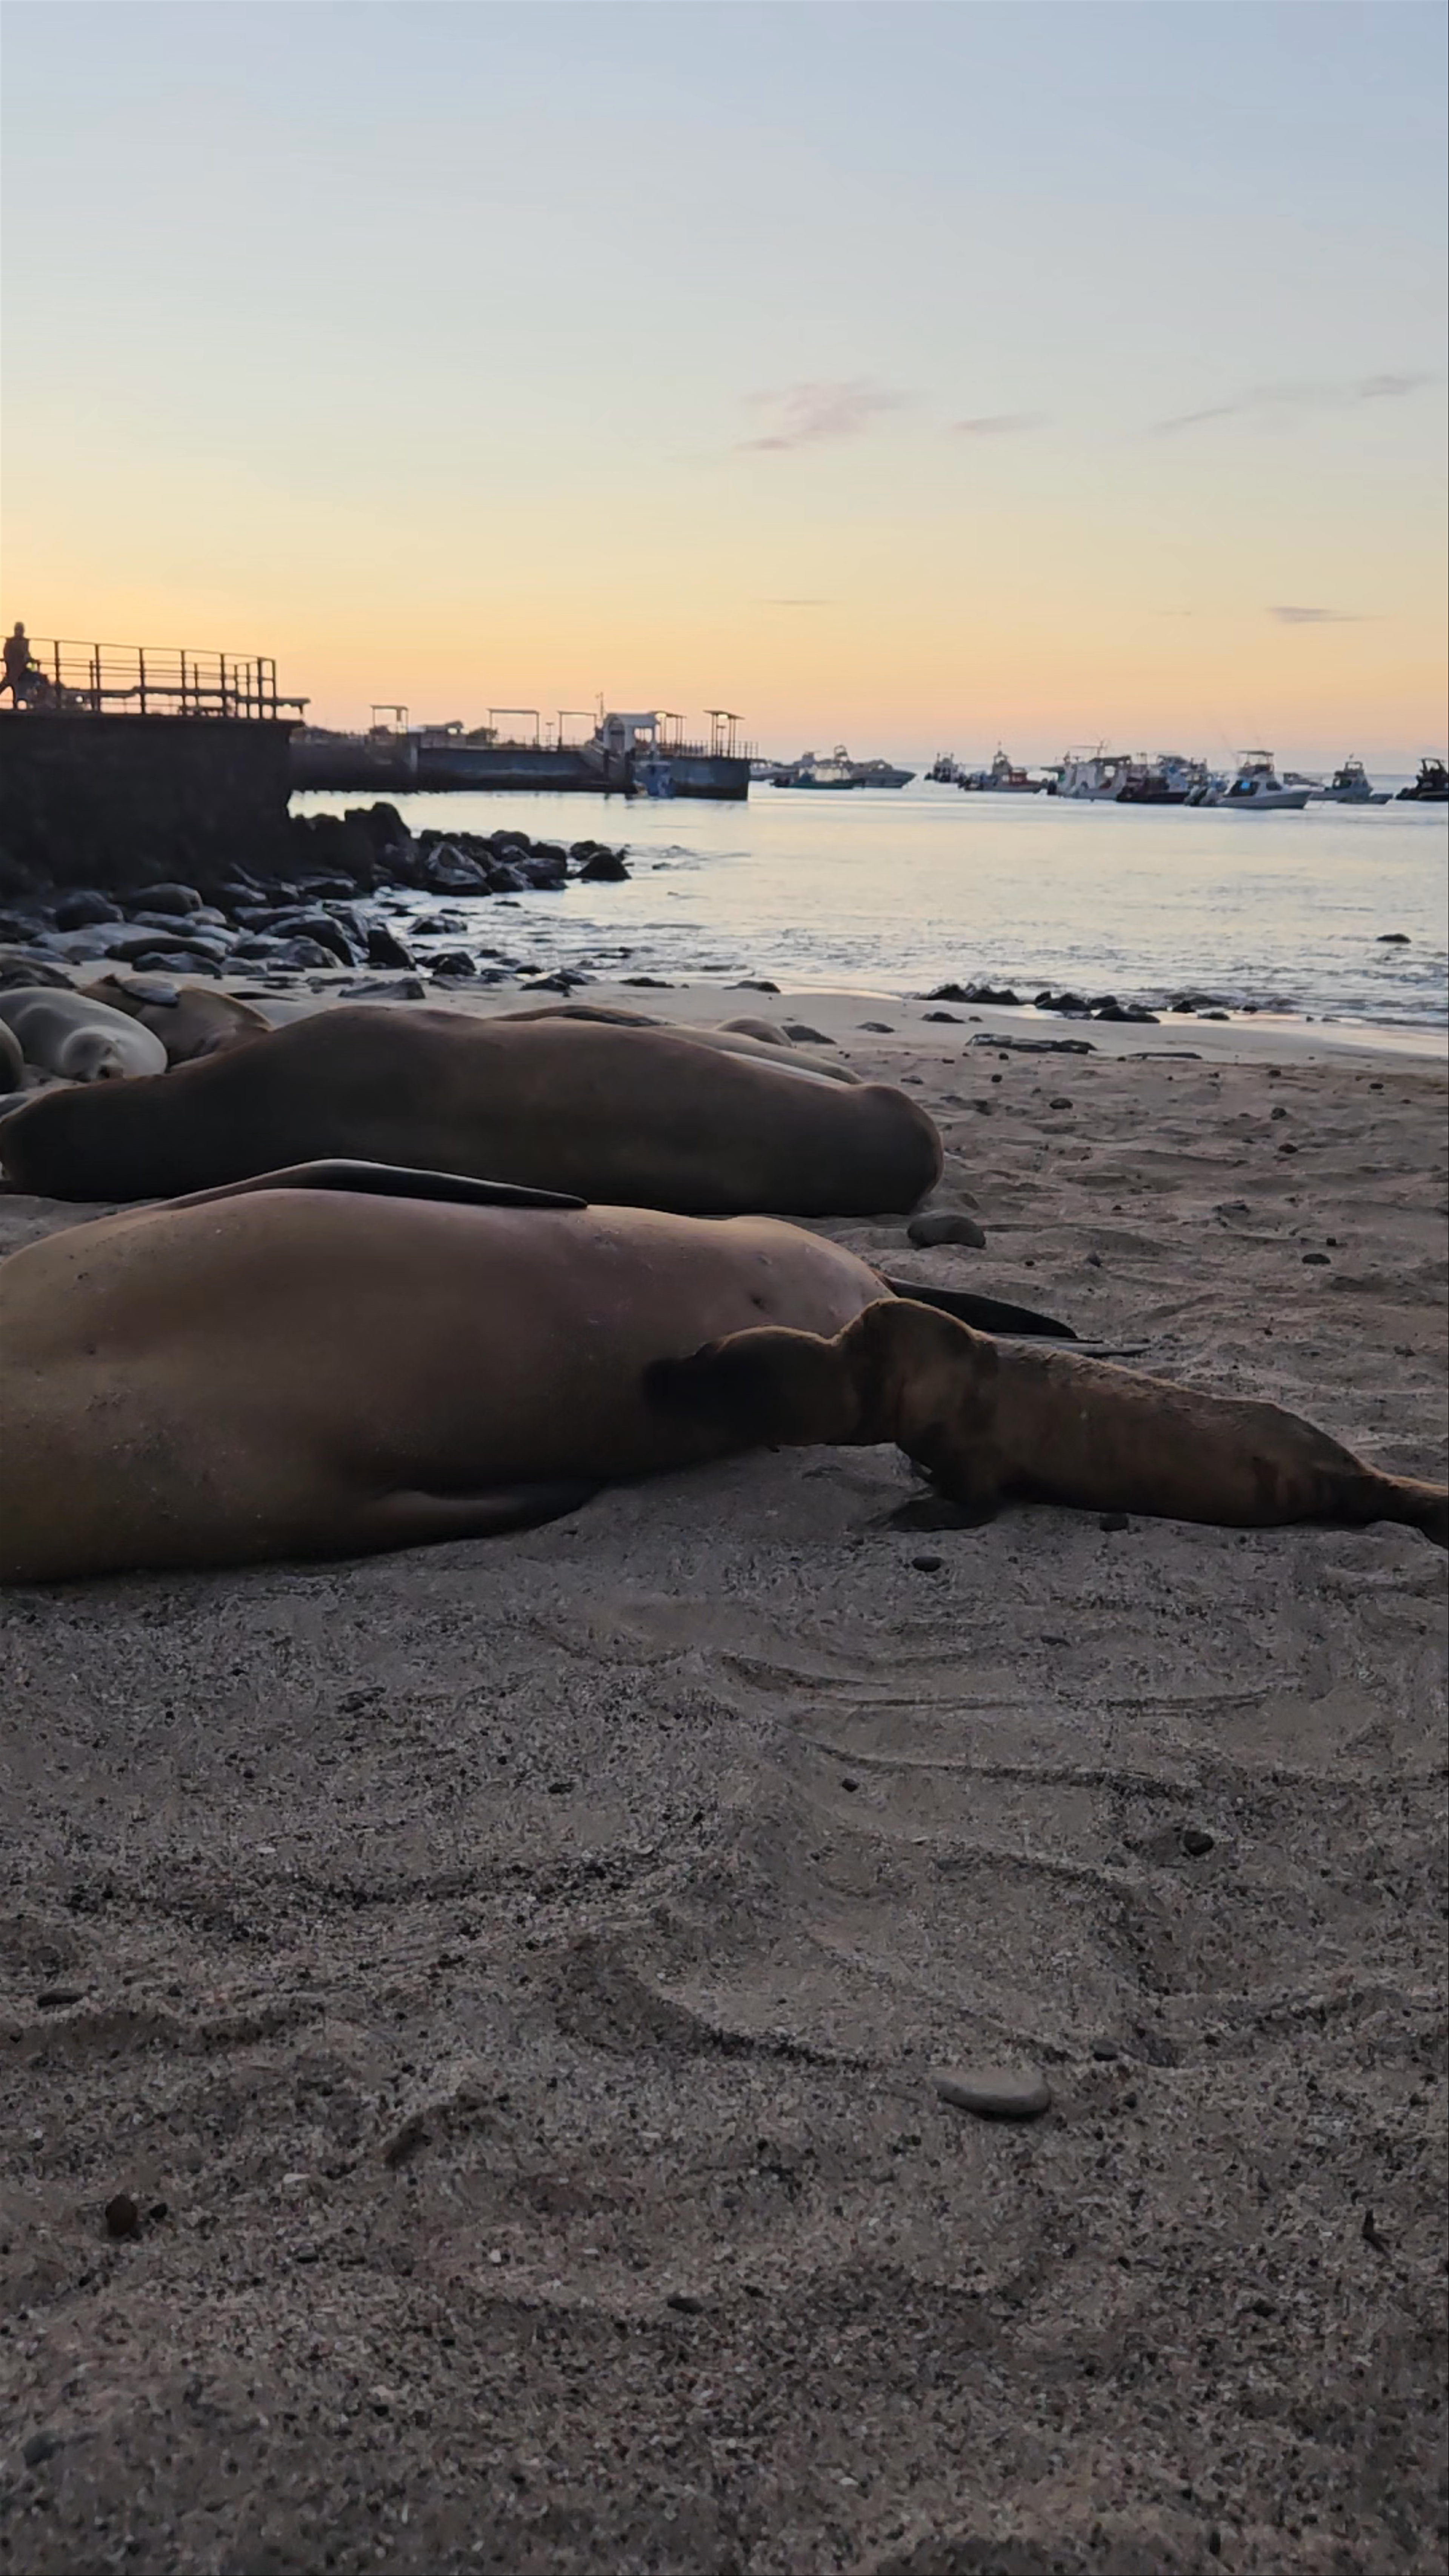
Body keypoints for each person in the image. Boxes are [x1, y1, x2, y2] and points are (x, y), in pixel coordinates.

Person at [2, 622, 41, 704]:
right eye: (18, 630)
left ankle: (34, 700)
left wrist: (33, 665)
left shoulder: (24, 642)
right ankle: (19, 703)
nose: (20, 632)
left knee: (35, 679)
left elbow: (27, 655)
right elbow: (7, 656)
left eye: (21, 630)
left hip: (22, 670)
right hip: (13, 670)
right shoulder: (10, 642)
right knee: (11, 684)